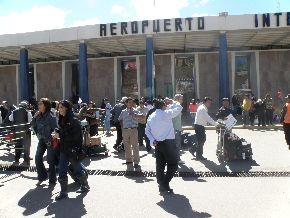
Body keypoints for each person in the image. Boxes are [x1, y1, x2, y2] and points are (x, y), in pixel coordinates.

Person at [54, 100, 89, 200]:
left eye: (61, 107)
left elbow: (77, 136)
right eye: (59, 107)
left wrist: (60, 134)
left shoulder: (74, 120)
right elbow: (62, 130)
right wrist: (57, 131)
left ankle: (85, 185)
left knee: (78, 169)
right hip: (64, 149)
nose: (59, 109)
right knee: (62, 169)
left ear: (66, 108)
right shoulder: (62, 118)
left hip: (73, 150)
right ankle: (63, 192)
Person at [145, 99, 183, 193]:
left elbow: (147, 131)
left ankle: (161, 183)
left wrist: (152, 140)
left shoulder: (151, 116)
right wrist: (172, 101)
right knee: (173, 165)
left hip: (157, 143)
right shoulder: (166, 114)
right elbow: (179, 108)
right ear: (163, 106)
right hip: (168, 143)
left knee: (160, 165)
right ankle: (164, 184)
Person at [31, 98, 58, 186]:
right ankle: (42, 177)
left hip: (50, 141)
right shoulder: (38, 116)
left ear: (45, 106)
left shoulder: (51, 116)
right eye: (38, 104)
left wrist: (54, 134)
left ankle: (52, 180)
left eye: (40, 104)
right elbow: (33, 126)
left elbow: (56, 128)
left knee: (51, 161)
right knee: (37, 158)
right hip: (42, 140)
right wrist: (34, 118)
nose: (38, 106)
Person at [118, 97, 144, 168]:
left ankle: (136, 162)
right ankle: (129, 160)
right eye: (129, 102)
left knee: (135, 146)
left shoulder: (136, 110)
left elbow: (142, 117)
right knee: (127, 146)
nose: (131, 103)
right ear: (126, 103)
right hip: (125, 130)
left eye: (132, 102)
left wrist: (135, 115)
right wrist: (122, 127)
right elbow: (120, 119)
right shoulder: (123, 111)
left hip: (133, 130)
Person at [171, 94, 183, 160]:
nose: (182, 100)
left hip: (177, 128)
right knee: (177, 145)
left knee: (175, 145)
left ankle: (175, 158)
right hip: (175, 129)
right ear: (177, 99)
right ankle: (177, 159)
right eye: (181, 99)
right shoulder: (175, 107)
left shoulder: (175, 106)